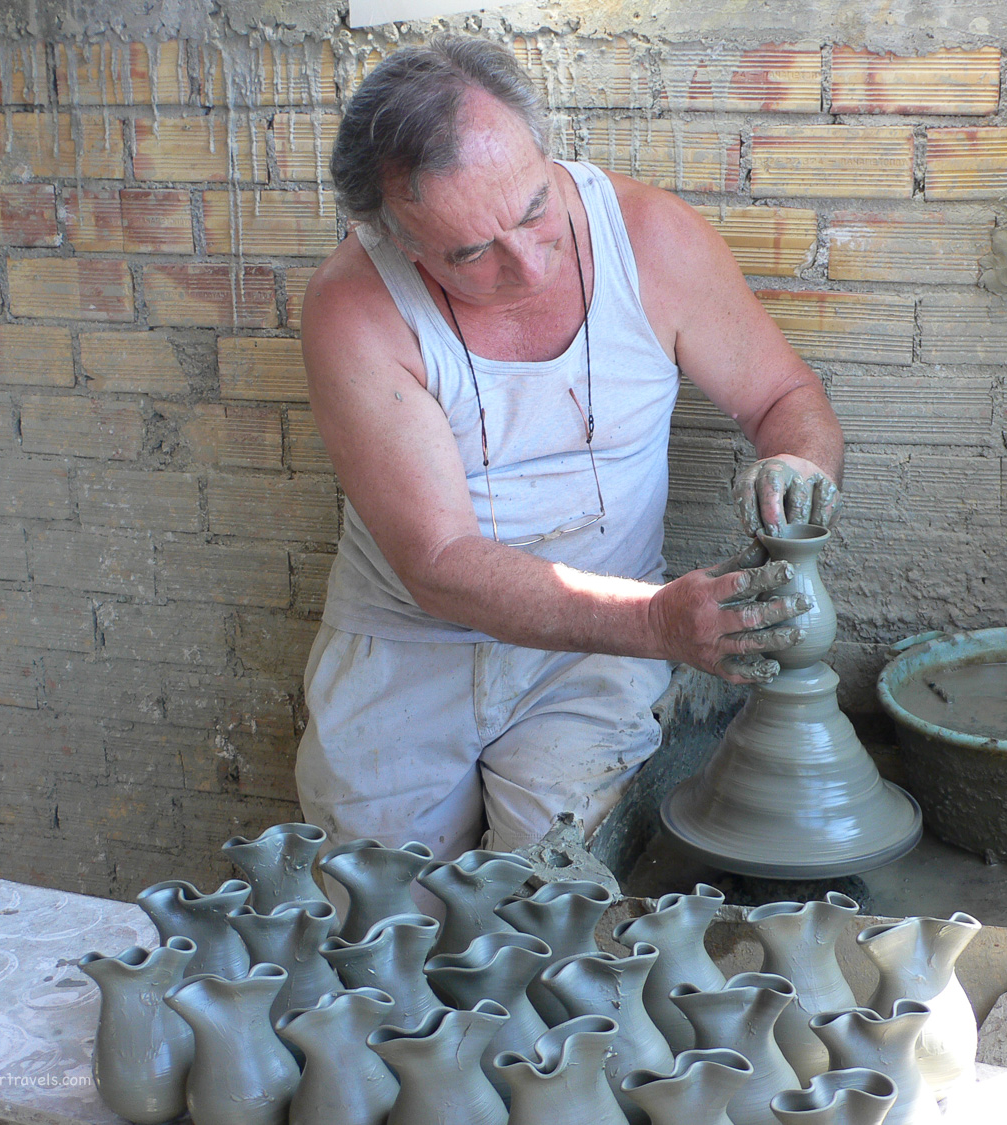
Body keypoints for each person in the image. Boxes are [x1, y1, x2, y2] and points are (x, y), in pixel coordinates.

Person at [295, 35, 844, 862]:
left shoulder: (652, 241)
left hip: (598, 649)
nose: (527, 264)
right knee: (375, 931)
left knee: (556, 913)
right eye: (471, 253)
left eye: (533, 209)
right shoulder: (356, 306)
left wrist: (797, 466)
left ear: (544, 148)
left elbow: (785, 399)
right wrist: (662, 621)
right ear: (400, 242)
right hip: (406, 648)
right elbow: (438, 561)